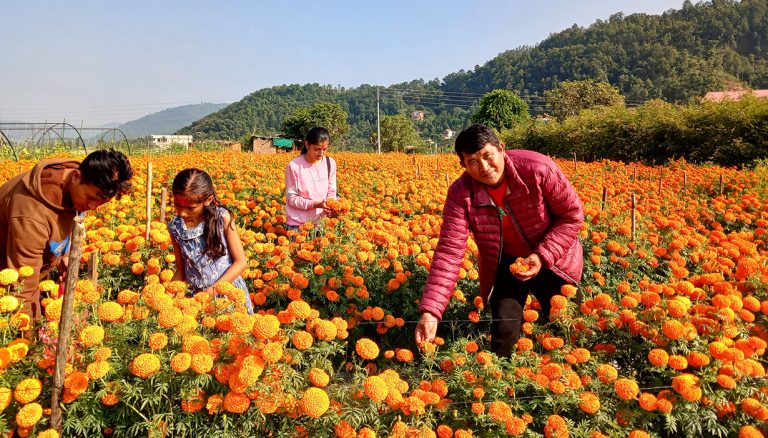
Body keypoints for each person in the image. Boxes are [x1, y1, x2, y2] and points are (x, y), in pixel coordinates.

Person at [414, 124, 584, 357]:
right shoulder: (461, 194)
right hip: (506, 262)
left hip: (554, 257)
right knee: (503, 335)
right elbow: (449, 252)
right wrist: (431, 311)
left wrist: (541, 256)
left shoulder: (537, 169)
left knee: (566, 328)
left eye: (487, 156)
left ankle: (568, 382)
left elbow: (571, 216)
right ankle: (505, 386)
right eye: (472, 161)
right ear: (463, 165)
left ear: (501, 149)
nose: (483, 167)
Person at [0, 148, 134, 320]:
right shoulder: (31, 215)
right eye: (91, 198)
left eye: (100, 203)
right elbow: (22, 286)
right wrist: (29, 339)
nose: (92, 207)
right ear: (76, 177)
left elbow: (68, 218)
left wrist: (64, 251)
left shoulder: (79, 178)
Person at [167, 168, 253, 314]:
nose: (182, 212)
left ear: (208, 200)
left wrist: (212, 291)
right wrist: (167, 296)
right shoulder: (175, 227)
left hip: (228, 293)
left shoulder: (222, 218)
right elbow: (181, 270)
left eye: (190, 207)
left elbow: (241, 262)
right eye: (177, 204)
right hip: (196, 300)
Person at [284, 127, 338, 235]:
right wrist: (315, 204)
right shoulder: (294, 166)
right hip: (298, 227)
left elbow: (331, 192)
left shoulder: (330, 163)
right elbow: (292, 199)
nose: (321, 153)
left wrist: (330, 205)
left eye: (325, 149)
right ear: (307, 145)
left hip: (321, 225)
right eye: (317, 149)